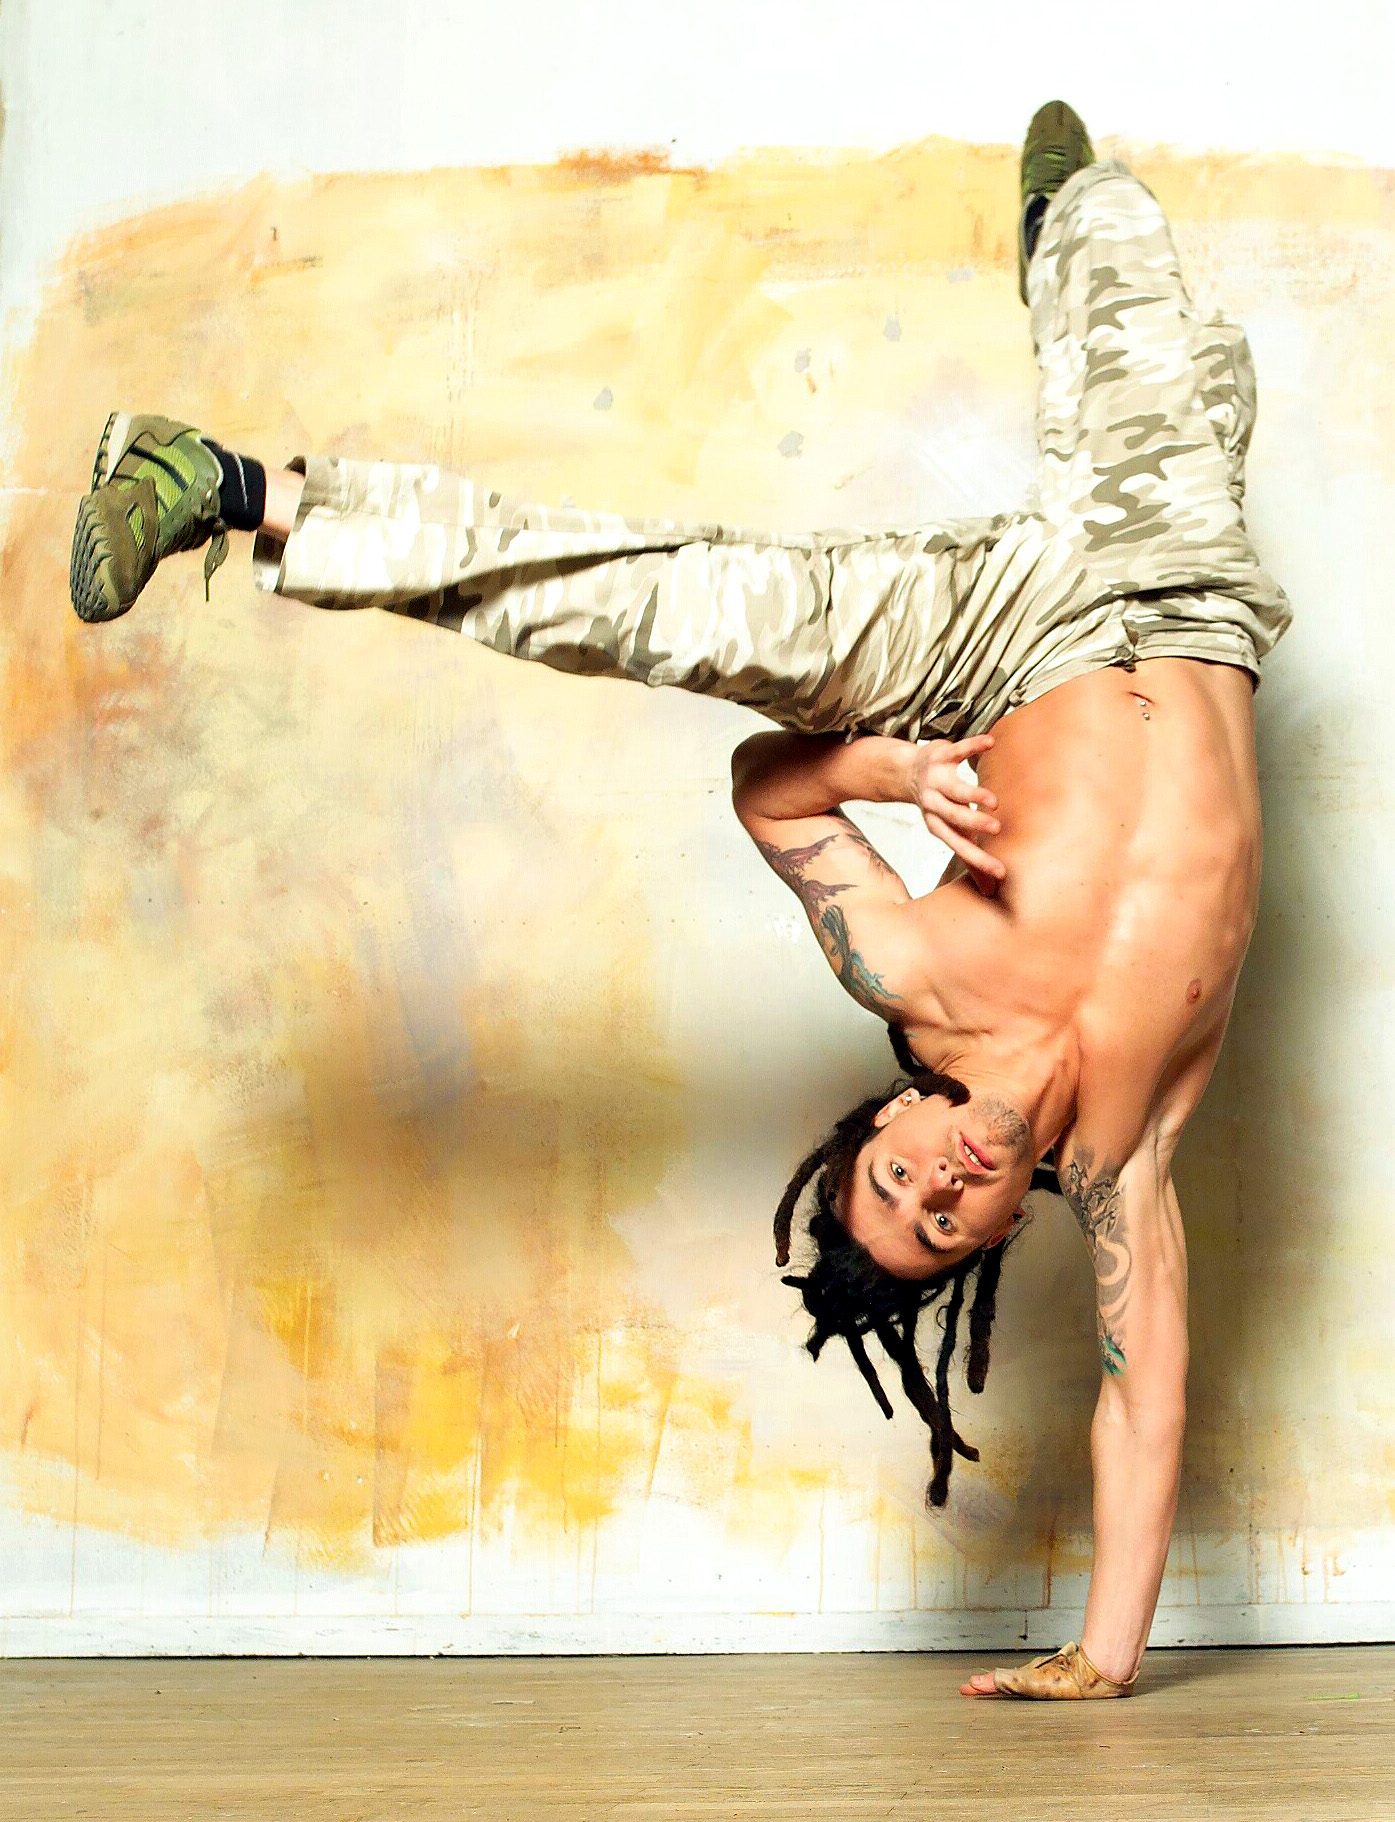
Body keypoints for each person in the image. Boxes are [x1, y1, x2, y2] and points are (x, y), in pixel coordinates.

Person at [67, 102, 1290, 1699]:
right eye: (943, 1222)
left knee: (696, 593)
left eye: (897, 1176)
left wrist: (893, 772)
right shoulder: (1128, 1168)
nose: (939, 1181)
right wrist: (1103, 1661)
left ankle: (228, 484)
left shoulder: (916, 976)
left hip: (994, 637)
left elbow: (766, 788)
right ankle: (233, 486)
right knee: (1120, 301)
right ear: (1000, 1235)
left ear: (883, 1120)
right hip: (1182, 585)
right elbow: (1143, 1401)